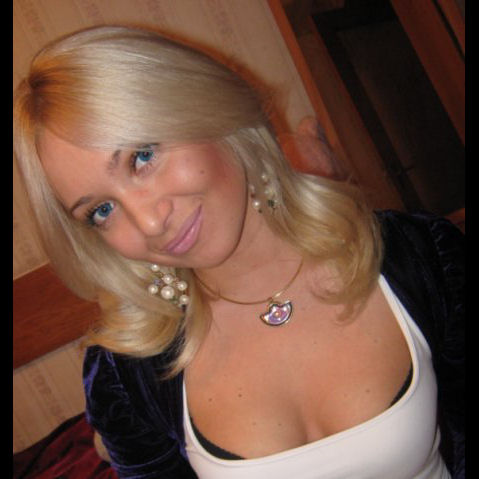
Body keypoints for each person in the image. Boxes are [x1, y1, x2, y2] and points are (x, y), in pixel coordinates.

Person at [13, 25, 464, 479]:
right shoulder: (129, 378)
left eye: (142, 157)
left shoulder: (422, 257)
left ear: (208, 106)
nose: (149, 223)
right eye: (102, 210)